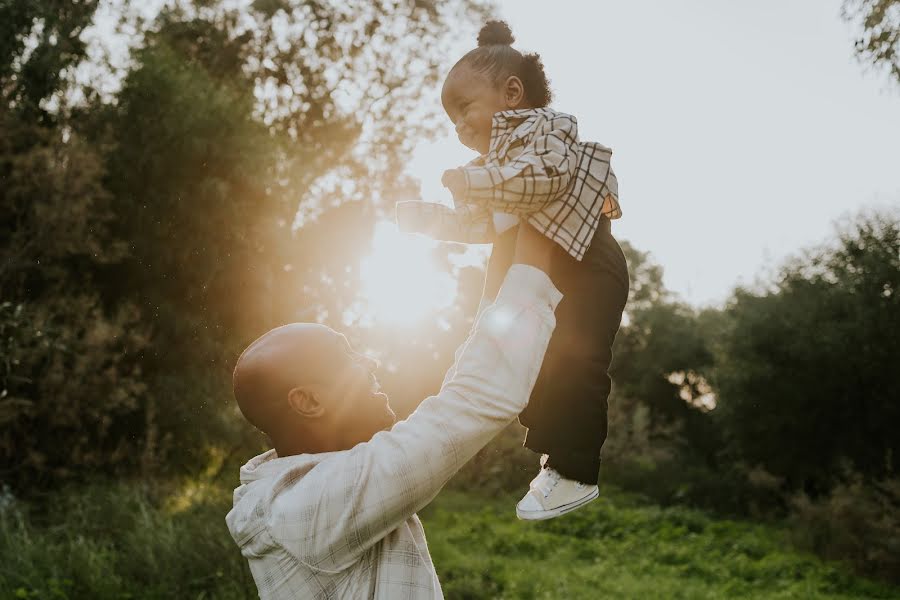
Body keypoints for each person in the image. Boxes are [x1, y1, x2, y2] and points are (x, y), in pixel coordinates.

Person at [226, 225, 562, 599]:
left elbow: (457, 390)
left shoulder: (304, 492)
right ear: (309, 402)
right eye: (345, 356)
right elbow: (475, 398)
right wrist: (543, 232)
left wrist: (509, 240)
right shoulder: (309, 508)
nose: (367, 360)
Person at [396, 20, 630, 520]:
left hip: (589, 265)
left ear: (512, 93)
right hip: (554, 274)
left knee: (579, 364)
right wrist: (427, 219)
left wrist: (474, 180)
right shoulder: (497, 169)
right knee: (538, 371)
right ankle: (554, 461)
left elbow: (541, 180)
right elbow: (479, 223)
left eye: (464, 109)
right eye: (450, 119)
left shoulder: (546, 131)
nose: (457, 125)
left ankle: (576, 471)